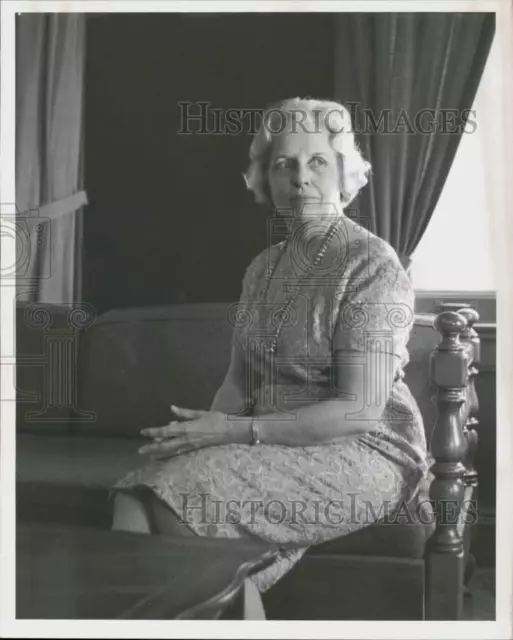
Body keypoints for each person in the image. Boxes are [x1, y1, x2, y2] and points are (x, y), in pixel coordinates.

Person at [110, 97, 432, 593]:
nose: (300, 178)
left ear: (345, 175)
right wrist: (199, 433)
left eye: (318, 162)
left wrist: (231, 435)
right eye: (285, 164)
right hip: (278, 437)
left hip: (363, 449)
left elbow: (358, 410)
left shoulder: (372, 264)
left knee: (185, 496)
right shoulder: (262, 268)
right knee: (136, 489)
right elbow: (239, 382)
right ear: (266, 178)